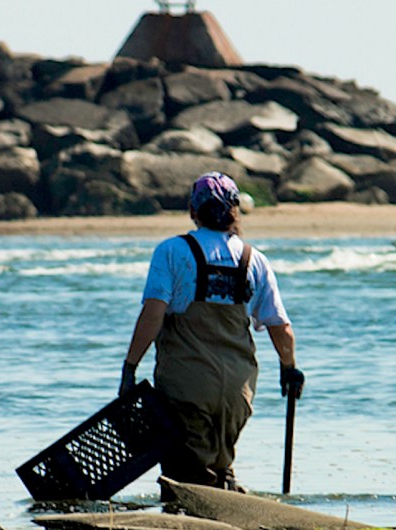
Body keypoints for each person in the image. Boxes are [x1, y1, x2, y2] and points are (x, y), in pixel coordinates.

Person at [119, 172, 303, 494]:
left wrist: (130, 368)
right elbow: (280, 327)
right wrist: (289, 370)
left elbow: (153, 314)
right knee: (220, 465)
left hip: (186, 387)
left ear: (193, 210)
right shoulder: (253, 259)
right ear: (235, 212)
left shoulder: (173, 252)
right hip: (238, 391)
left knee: (184, 481)